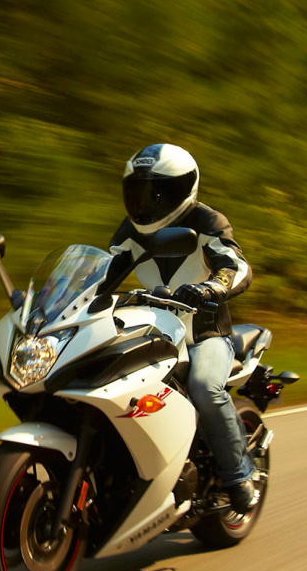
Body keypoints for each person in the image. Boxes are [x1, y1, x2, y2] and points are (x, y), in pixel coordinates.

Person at [110, 143, 259, 514]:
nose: (147, 202)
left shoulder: (208, 221)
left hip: (205, 335)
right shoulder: (129, 230)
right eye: (139, 191)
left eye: (157, 192)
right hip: (155, 335)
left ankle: (239, 475)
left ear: (182, 189)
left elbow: (237, 266)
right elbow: (102, 276)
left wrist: (213, 287)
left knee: (205, 388)